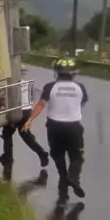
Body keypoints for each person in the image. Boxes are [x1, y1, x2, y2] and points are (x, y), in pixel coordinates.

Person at [22, 57, 88, 201]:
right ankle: (74, 178)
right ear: (73, 73)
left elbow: (40, 105)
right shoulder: (80, 87)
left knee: (58, 155)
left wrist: (29, 121)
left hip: (54, 127)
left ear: (57, 72)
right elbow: (82, 104)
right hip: (74, 127)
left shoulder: (50, 86)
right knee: (77, 156)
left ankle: (64, 178)